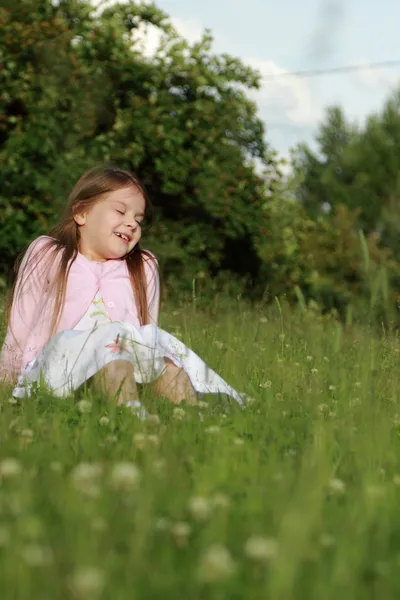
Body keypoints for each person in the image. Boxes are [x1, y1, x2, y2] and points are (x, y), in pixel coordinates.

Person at [0, 166, 244, 417]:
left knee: (161, 358)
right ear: (82, 213)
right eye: (120, 211)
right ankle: (131, 418)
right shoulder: (49, 254)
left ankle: (194, 420)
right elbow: (20, 324)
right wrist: (8, 381)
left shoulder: (142, 266)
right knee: (112, 348)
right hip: (55, 371)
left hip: (120, 368)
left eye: (138, 220)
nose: (131, 223)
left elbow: (148, 334)